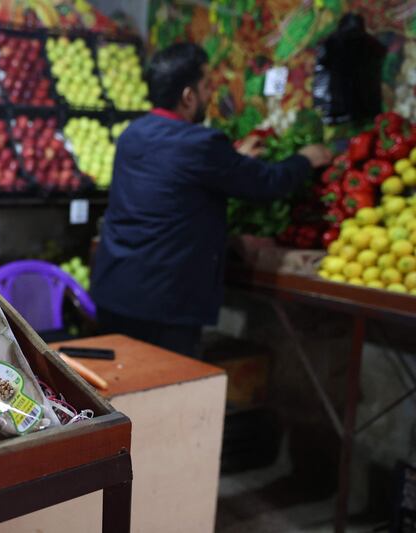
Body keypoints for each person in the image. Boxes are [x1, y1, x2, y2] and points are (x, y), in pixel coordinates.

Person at [90, 43, 333, 358]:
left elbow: (177, 182)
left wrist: (232, 160)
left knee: (118, 390)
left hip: (116, 291)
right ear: (188, 96)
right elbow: (265, 183)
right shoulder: (202, 144)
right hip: (165, 303)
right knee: (167, 393)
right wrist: (305, 159)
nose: (211, 95)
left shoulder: (132, 135)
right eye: (207, 86)